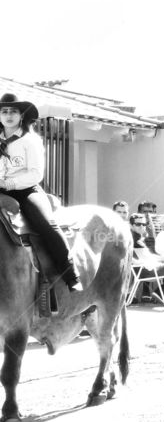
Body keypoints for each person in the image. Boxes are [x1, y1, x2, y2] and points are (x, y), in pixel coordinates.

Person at [0, 94, 82, 292]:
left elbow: (36, 174)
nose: (8, 115)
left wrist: (9, 183)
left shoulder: (30, 140)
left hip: (26, 190)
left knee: (46, 224)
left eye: (14, 111)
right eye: (4, 111)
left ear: (21, 116)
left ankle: (69, 273)